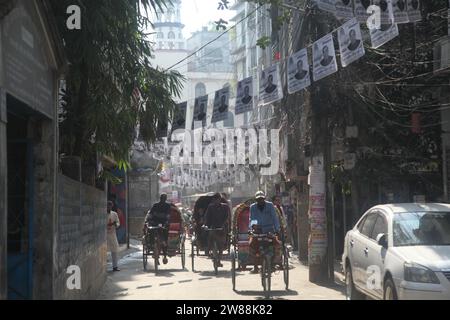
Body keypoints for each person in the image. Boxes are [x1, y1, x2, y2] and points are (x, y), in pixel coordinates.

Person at [248, 191, 281, 273]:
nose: (260, 201)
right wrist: (253, 226)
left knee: (274, 244)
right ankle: (255, 266)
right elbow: (252, 219)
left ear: (264, 199)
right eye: (258, 199)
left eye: (262, 199)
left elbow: (274, 218)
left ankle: (272, 264)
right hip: (258, 230)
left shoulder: (270, 205)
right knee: (253, 244)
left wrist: (277, 229)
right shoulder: (253, 207)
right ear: (256, 200)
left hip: (269, 229)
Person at [203, 193, 230, 267]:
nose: (216, 201)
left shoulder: (225, 207)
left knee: (221, 245)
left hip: (222, 226)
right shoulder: (210, 207)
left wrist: (223, 224)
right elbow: (207, 217)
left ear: (219, 199)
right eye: (214, 199)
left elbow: (226, 217)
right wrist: (205, 225)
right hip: (213, 226)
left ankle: (219, 260)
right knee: (209, 234)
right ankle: (208, 248)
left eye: (217, 199)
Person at [145, 193, 171, 264]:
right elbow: (150, 214)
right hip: (155, 223)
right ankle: (151, 244)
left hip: (163, 224)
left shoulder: (167, 206)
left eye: (163, 198)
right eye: (162, 198)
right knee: (151, 232)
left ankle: (164, 254)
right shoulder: (156, 205)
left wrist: (167, 221)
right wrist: (148, 220)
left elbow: (168, 215)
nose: (163, 200)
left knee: (164, 239)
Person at [107, 201, 121, 272]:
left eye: (110, 206)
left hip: (112, 234)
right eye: (108, 206)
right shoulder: (103, 213)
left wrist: (115, 224)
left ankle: (115, 266)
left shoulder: (114, 214)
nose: (109, 207)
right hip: (105, 234)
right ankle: (103, 267)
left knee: (114, 250)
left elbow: (118, 222)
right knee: (103, 250)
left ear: (111, 206)